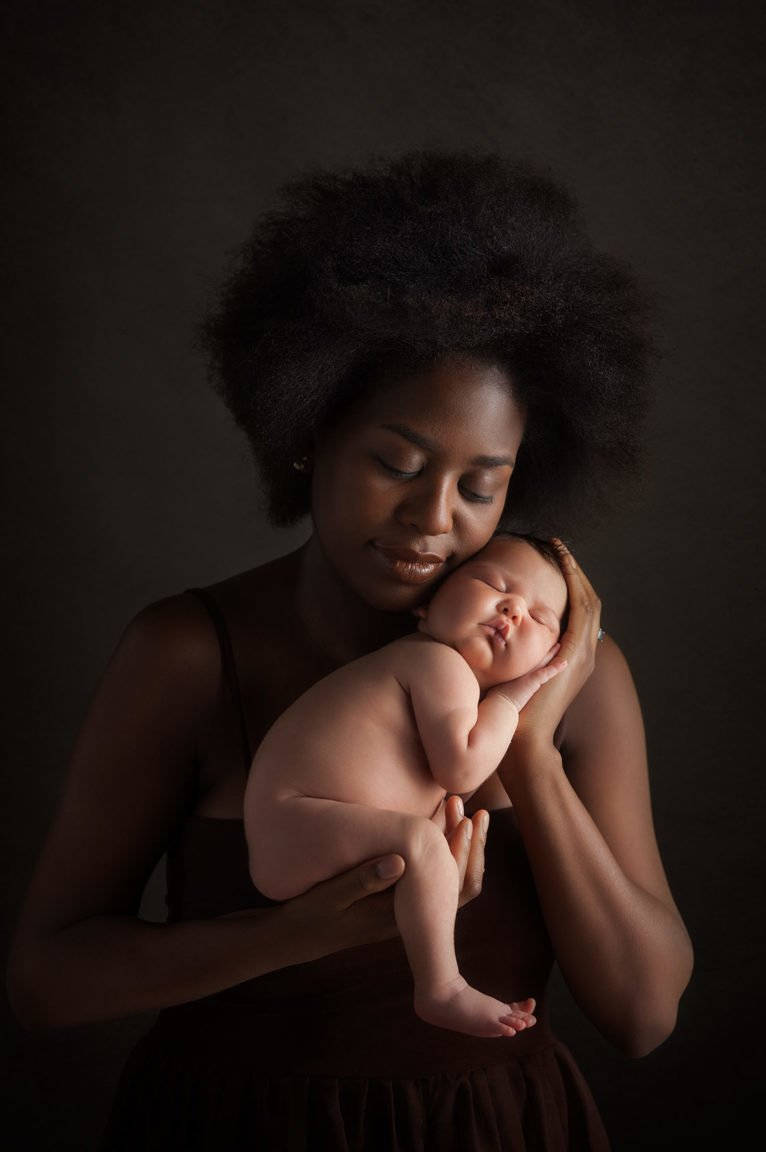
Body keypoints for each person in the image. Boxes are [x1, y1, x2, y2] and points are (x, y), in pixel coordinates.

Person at [6, 149, 694, 1150]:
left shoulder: (579, 682)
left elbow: (642, 1015)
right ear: (307, 431)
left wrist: (533, 750)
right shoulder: (192, 653)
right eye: (395, 464)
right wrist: (287, 937)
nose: (433, 519)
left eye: (480, 485)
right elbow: (44, 982)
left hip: (496, 1130)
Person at [245, 532, 568, 1040]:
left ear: (552, 655)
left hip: (302, 831)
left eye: (541, 618)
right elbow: (462, 771)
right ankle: (441, 987)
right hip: (299, 821)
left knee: (429, 834)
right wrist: (512, 698)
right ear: (427, 604)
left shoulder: (436, 674)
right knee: (421, 840)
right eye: (493, 584)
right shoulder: (438, 663)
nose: (513, 608)